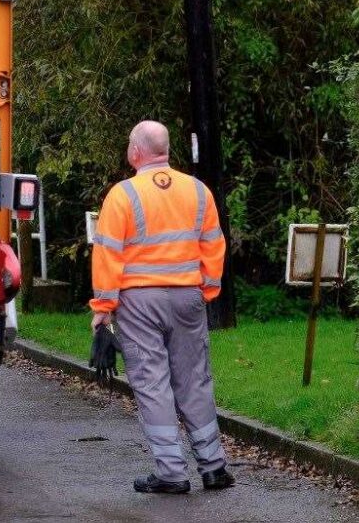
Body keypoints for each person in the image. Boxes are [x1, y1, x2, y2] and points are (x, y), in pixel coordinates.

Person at [90, 120, 235, 494]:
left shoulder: (123, 195)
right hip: (188, 296)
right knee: (194, 380)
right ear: (165, 150)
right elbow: (213, 244)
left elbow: (108, 252)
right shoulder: (198, 191)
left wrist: (103, 307)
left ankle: (172, 473)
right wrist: (207, 290)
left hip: (140, 302)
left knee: (153, 383)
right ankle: (214, 467)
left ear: (136, 152)